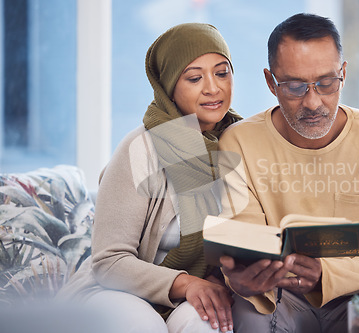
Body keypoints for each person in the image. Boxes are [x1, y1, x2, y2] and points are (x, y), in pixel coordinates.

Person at [216, 13, 359, 332]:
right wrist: (243, 279)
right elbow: (243, 246)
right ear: (270, 82)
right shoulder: (238, 142)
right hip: (279, 298)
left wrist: (325, 274)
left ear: (343, 73)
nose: (313, 101)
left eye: (326, 83)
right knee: (247, 313)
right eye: (294, 86)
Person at [57, 23, 242, 333]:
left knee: (209, 325)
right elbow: (109, 262)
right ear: (168, 86)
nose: (213, 88)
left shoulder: (240, 144)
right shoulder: (140, 148)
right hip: (116, 290)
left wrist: (221, 277)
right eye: (195, 78)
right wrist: (187, 283)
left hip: (194, 293)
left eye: (222, 73)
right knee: (142, 325)